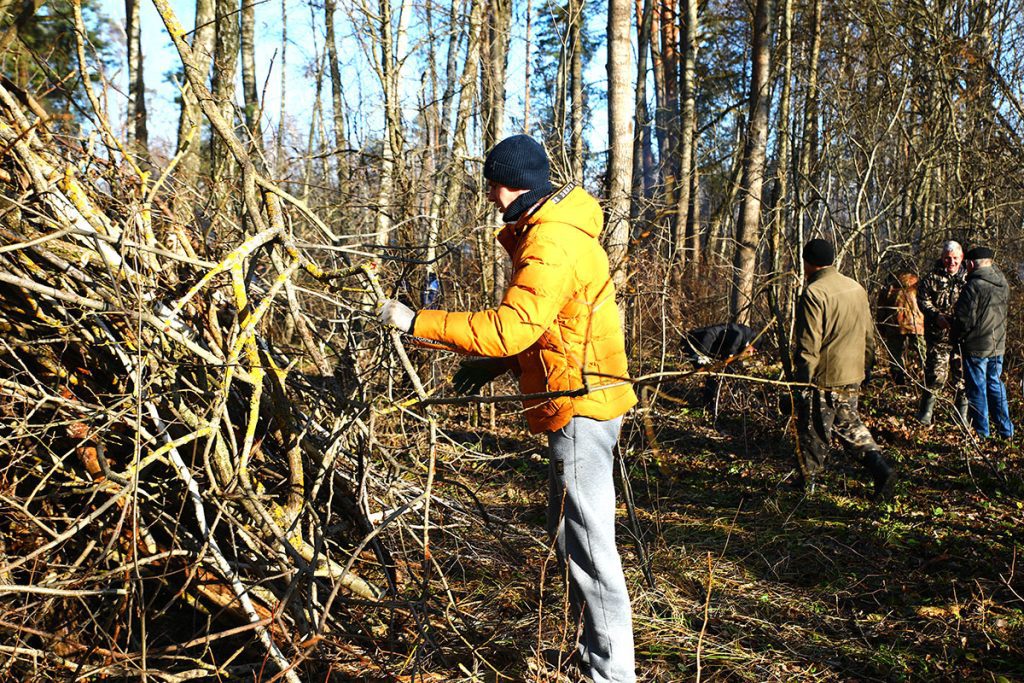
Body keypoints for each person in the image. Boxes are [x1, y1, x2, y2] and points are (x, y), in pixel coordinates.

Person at [378, 134, 638, 683]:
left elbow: (512, 326)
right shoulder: (552, 229)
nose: (491, 199)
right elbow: (548, 326)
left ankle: (612, 675)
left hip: (579, 402)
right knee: (571, 537)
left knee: (589, 549)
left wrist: (415, 322)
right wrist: (490, 365)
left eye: (492, 186)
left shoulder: (551, 241)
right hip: (581, 394)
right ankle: (593, 655)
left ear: (507, 183)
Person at [792, 238, 896, 500]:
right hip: (853, 372)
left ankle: (806, 486)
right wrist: (867, 366)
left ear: (808, 263)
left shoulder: (814, 294)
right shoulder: (856, 288)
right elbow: (868, 334)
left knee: (813, 429)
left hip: (825, 377)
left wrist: (802, 384)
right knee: (848, 424)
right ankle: (881, 469)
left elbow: (808, 346)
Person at [952, 246, 1014, 440]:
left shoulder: (973, 286)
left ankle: (982, 434)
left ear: (970, 264)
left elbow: (964, 319)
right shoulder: (1002, 282)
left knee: (977, 388)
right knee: (995, 384)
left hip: (977, 346)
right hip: (998, 344)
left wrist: (956, 336)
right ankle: (1006, 431)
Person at [916, 241, 969, 425]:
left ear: (961, 258)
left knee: (962, 378)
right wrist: (935, 315)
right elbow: (922, 299)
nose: (951, 262)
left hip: (962, 338)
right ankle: (925, 414)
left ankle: (959, 417)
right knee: (935, 376)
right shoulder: (931, 278)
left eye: (955, 258)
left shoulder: (969, 278)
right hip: (938, 337)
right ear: (942, 258)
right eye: (948, 258)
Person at [682, 323, 763, 409]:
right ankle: (707, 404)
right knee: (712, 373)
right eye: (753, 351)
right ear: (750, 344)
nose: (751, 354)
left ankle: (709, 404)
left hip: (708, 349)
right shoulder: (737, 334)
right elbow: (711, 333)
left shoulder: (741, 341)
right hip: (693, 343)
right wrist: (702, 355)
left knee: (715, 374)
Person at [875, 271, 925, 386]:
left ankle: (899, 383)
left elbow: (881, 310)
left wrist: (881, 327)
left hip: (894, 325)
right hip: (917, 325)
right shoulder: (919, 284)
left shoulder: (889, 288)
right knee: (923, 354)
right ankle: (927, 381)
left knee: (895, 355)